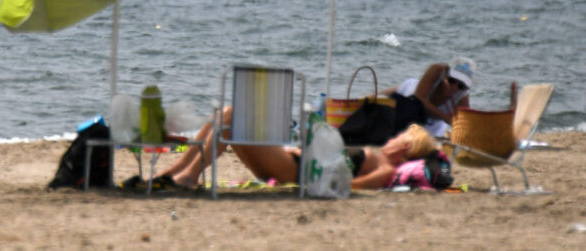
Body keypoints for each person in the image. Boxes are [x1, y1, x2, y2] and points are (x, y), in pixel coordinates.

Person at [145, 106, 437, 190]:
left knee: (233, 118)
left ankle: (190, 175)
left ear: (406, 149)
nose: (395, 138)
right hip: (285, 162)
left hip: (292, 170)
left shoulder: (385, 167)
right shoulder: (378, 158)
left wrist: (320, 186)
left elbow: (353, 187)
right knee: (225, 114)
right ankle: (175, 172)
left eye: (402, 138)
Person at [384, 57, 475, 138]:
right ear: (446, 71)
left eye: (461, 85)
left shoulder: (463, 95)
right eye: (452, 80)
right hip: (408, 97)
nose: (455, 87)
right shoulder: (437, 70)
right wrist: (445, 117)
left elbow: (464, 126)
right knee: (382, 99)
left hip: (431, 123)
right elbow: (418, 98)